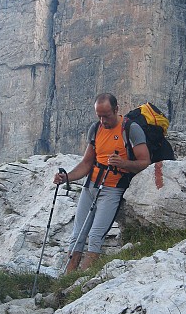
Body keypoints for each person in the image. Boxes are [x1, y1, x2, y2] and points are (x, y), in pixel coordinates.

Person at [54, 93, 151, 272]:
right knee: (77, 234)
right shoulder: (96, 129)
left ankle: (81, 279)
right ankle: (67, 277)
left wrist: (123, 164)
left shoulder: (131, 129)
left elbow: (145, 162)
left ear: (116, 109)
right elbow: (86, 163)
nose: (102, 120)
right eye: (99, 115)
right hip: (90, 187)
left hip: (113, 189)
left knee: (96, 235)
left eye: (106, 115)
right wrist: (66, 177)